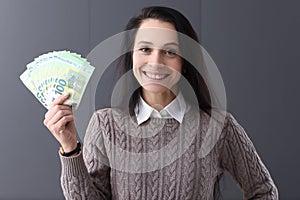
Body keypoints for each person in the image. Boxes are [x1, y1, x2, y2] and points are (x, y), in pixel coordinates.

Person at [43, 6, 278, 200]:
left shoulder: (219, 127)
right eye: (145, 49)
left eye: (170, 52)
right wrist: (70, 147)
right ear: (132, 55)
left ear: (185, 61)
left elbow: (263, 191)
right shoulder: (105, 124)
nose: (156, 62)